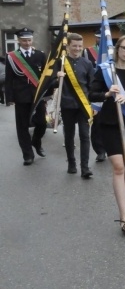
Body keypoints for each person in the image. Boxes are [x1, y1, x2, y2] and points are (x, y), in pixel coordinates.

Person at [89, 35, 125, 235]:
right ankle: (123, 215)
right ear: (117, 49)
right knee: (119, 167)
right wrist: (106, 94)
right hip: (110, 123)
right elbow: (92, 94)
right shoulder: (105, 70)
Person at [4, 28, 47, 165]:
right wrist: (9, 97)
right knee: (22, 126)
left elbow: (45, 76)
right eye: (24, 41)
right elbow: (9, 78)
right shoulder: (12, 57)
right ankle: (27, 155)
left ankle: (36, 140)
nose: (27, 43)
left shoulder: (40, 55)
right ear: (19, 41)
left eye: (29, 40)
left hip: (37, 95)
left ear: (32, 40)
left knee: (42, 122)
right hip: (21, 95)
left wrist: (49, 93)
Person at [56, 33, 95, 178]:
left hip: (83, 105)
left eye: (80, 46)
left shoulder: (87, 63)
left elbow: (92, 85)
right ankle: (71, 163)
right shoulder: (61, 62)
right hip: (67, 104)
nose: (77, 49)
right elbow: (52, 84)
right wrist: (57, 77)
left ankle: (85, 167)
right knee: (69, 136)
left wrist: (93, 104)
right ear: (68, 46)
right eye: (74, 46)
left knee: (85, 136)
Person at [86, 28, 107, 162]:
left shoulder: (112, 51)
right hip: (96, 88)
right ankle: (100, 150)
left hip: (111, 88)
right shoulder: (87, 51)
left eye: (102, 37)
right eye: (98, 37)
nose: (100, 40)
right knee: (97, 122)